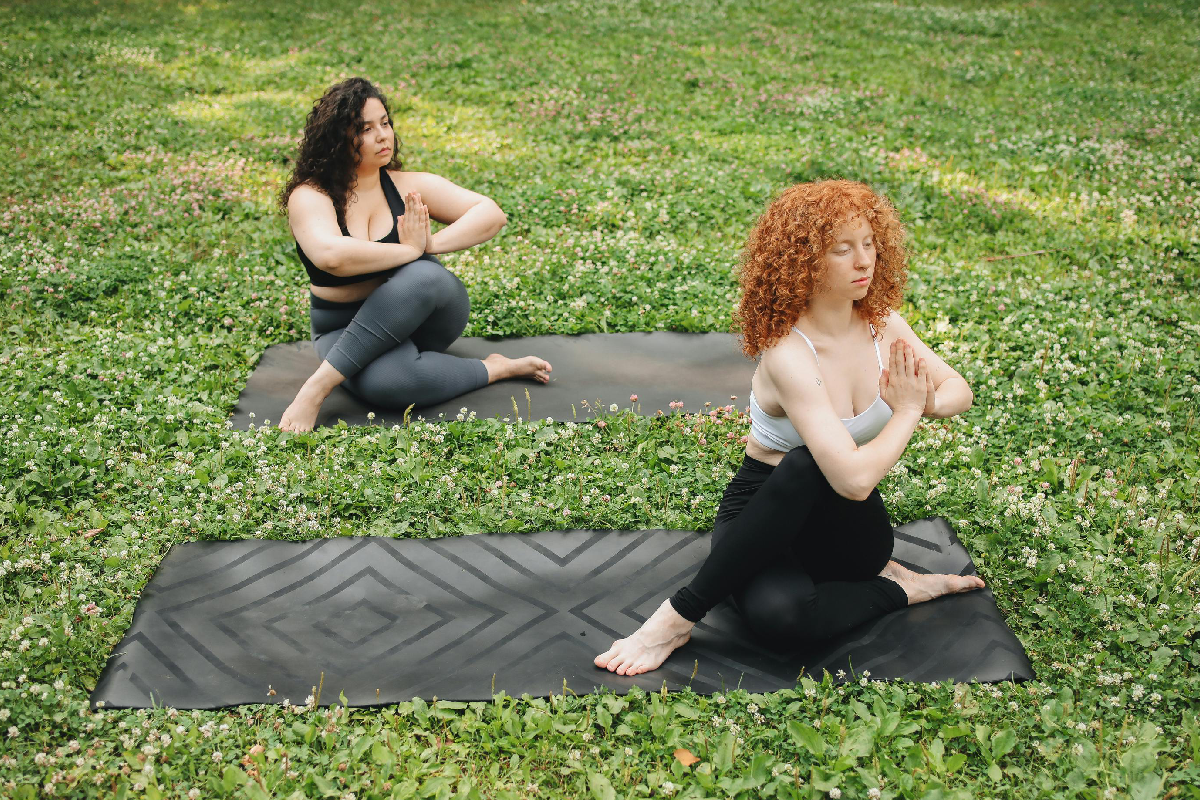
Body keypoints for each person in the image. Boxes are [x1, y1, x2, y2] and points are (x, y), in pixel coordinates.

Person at [595, 180, 986, 676]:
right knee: (782, 619)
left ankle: (674, 619)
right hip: (760, 512)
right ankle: (899, 588)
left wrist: (916, 404)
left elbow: (957, 390)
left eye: (869, 244)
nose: (864, 261)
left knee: (817, 464)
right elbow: (850, 474)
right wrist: (906, 410)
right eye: (842, 249)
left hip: (849, 534)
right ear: (803, 261)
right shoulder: (787, 351)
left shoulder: (883, 326)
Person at [277, 77, 551, 431]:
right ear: (336, 139)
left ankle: (317, 387)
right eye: (365, 128)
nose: (383, 136)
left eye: (385, 123)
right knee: (392, 385)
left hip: (424, 317)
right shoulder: (311, 195)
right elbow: (332, 257)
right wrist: (407, 249)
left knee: (426, 274)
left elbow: (491, 214)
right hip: (340, 325)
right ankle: (496, 367)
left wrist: (427, 246)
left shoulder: (405, 186)